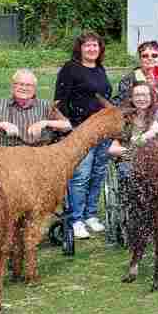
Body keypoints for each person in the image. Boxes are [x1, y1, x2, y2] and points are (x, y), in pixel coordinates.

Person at [55, 31, 114, 240]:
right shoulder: (70, 69)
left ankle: (90, 214)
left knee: (98, 173)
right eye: (87, 45)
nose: (92, 49)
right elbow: (59, 101)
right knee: (81, 175)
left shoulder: (99, 69)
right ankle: (76, 218)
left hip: (102, 129)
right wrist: (68, 126)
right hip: (81, 130)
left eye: (95, 45)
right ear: (80, 48)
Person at [107, 82, 158, 210]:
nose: (141, 99)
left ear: (151, 97)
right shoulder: (123, 119)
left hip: (155, 159)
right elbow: (111, 148)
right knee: (129, 173)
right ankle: (135, 208)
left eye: (145, 95)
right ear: (131, 98)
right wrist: (134, 146)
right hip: (129, 159)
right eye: (137, 95)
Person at [0, 69, 72, 147]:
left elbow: (67, 126)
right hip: (9, 153)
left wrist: (45, 123)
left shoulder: (46, 106)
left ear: (35, 88)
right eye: (20, 84)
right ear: (13, 86)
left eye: (28, 85)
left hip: (40, 153)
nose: (24, 88)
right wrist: (0, 125)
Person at [113, 40, 158, 108]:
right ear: (140, 58)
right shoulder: (128, 79)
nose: (150, 58)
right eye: (145, 56)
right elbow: (122, 101)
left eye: (154, 55)